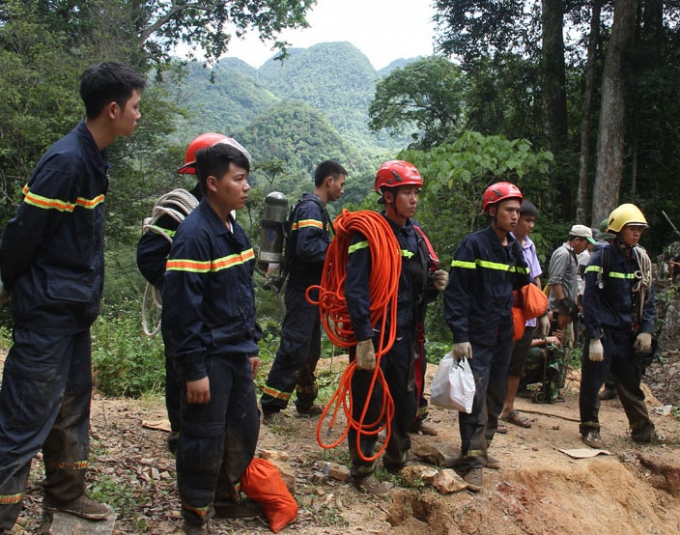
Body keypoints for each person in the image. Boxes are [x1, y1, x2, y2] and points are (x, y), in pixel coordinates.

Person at [0, 61, 144, 532]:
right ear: (112, 108)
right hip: (46, 313)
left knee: (70, 406)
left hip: (72, 310)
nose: (138, 115)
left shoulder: (93, 156)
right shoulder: (66, 162)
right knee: (25, 418)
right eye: (135, 107)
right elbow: (23, 237)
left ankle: (66, 494)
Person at [161, 139, 262, 534]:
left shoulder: (232, 227)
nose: (246, 186)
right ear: (212, 183)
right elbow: (181, 313)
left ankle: (224, 495)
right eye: (239, 179)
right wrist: (193, 370)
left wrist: (250, 343)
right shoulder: (194, 235)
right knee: (203, 436)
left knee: (243, 427)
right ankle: (196, 511)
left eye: (246, 179)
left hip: (236, 351)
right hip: (210, 356)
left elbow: (243, 294)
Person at [137, 132, 249, 453]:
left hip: (217, 320)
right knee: (182, 367)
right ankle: (181, 430)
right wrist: (178, 285)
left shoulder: (225, 218)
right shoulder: (184, 216)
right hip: (188, 311)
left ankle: (209, 432)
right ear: (210, 178)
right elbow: (149, 255)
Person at [345, 160, 447, 495]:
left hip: (404, 333)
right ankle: (362, 470)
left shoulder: (415, 236)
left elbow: (414, 290)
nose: (414, 198)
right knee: (370, 402)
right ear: (388, 196)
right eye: (407, 192)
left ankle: (397, 459)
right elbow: (356, 288)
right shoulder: (369, 234)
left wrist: (433, 286)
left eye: (416, 192)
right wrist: (362, 338)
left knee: (405, 400)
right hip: (374, 333)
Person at [444, 182, 529, 491]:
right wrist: (460, 334)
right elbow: (456, 292)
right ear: (492, 211)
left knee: (494, 395)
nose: (515, 216)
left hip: (502, 332)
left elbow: (521, 283)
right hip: (476, 334)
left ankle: (483, 448)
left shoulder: (513, 245)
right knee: (474, 398)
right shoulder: (473, 245)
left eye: (518, 211)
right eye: (509, 210)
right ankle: (471, 460)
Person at [260, 161, 347, 422]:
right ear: (329, 181)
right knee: (295, 347)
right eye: (341, 184)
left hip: (314, 291)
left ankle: (306, 401)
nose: (342, 190)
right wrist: (338, 256)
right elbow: (307, 248)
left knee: (310, 351)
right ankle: (271, 405)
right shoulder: (310, 208)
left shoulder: (315, 208)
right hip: (303, 290)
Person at [579, 203, 659, 448]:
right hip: (603, 333)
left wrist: (646, 329)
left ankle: (643, 430)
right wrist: (593, 338)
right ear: (618, 230)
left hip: (626, 334)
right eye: (631, 229)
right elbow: (590, 301)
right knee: (592, 384)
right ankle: (590, 428)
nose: (636, 234)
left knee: (631, 384)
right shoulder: (601, 259)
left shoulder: (639, 260)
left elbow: (647, 298)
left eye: (639, 230)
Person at [498, 201, 549, 432]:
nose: (529, 224)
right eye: (526, 220)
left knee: (517, 363)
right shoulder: (503, 243)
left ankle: (508, 407)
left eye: (531, 221)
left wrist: (541, 311)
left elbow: (536, 278)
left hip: (527, 315)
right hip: (507, 312)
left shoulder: (530, 246)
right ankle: (492, 409)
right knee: (501, 360)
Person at [547, 224, 595, 350]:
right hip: (559, 311)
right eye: (585, 243)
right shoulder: (563, 254)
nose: (586, 247)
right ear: (577, 240)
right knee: (559, 346)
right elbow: (555, 281)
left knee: (567, 344)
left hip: (568, 311)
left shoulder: (571, 255)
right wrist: (564, 303)